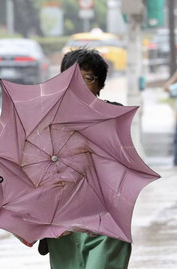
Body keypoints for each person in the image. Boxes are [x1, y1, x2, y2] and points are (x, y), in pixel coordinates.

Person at [39, 48, 131, 269]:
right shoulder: (46, 123)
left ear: (100, 85)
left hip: (104, 225)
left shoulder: (114, 117)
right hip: (62, 229)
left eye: (87, 78)